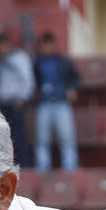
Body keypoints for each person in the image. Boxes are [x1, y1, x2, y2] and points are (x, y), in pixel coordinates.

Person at [33, 32, 80, 172]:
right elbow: (34, 82)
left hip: (61, 102)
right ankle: (42, 167)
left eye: (49, 45)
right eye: (44, 45)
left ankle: (70, 167)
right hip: (44, 103)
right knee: (42, 139)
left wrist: (71, 89)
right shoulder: (37, 63)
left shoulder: (63, 62)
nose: (46, 48)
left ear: (54, 45)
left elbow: (75, 78)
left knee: (67, 137)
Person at [0, 35, 35, 168]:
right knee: (4, 137)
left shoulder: (19, 57)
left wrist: (23, 99)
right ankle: (8, 165)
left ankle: (25, 166)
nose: (0, 49)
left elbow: (27, 78)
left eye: (2, 46)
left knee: (18, 136)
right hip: (4, 103)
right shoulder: (1, 61)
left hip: (16, 103)